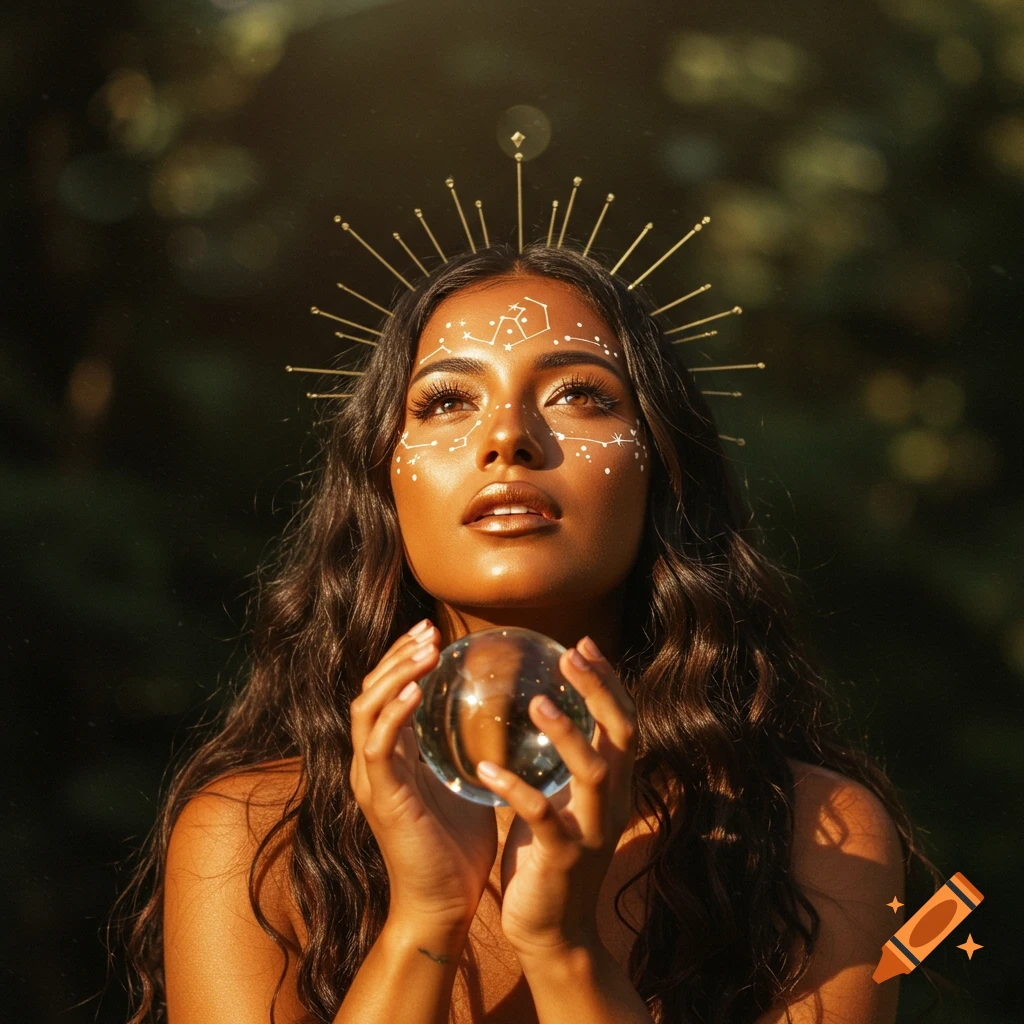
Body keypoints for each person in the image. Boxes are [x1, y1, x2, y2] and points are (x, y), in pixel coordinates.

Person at [114, 241, 928, 1024]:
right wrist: (423, 924)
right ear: (380, 481)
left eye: (581, 394)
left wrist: (563, 948)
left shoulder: (810, 836)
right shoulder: (256, 836)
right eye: (446, 401)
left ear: (664, 467)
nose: (508, 439)